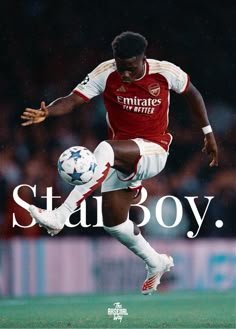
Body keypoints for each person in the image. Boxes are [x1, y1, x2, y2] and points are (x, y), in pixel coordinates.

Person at [21, 31, 218, 295]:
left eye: (130, 68)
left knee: (103, 148)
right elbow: (74, 99)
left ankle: (60, 215)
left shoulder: (164, 72)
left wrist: (207, 132)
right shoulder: (106, 72)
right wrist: (48, 111)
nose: (124, 74)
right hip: (120, 156)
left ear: (142, 59)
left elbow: (193, 94)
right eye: (120, 67)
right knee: (113, 222)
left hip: (154, 151)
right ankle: (156, 262)